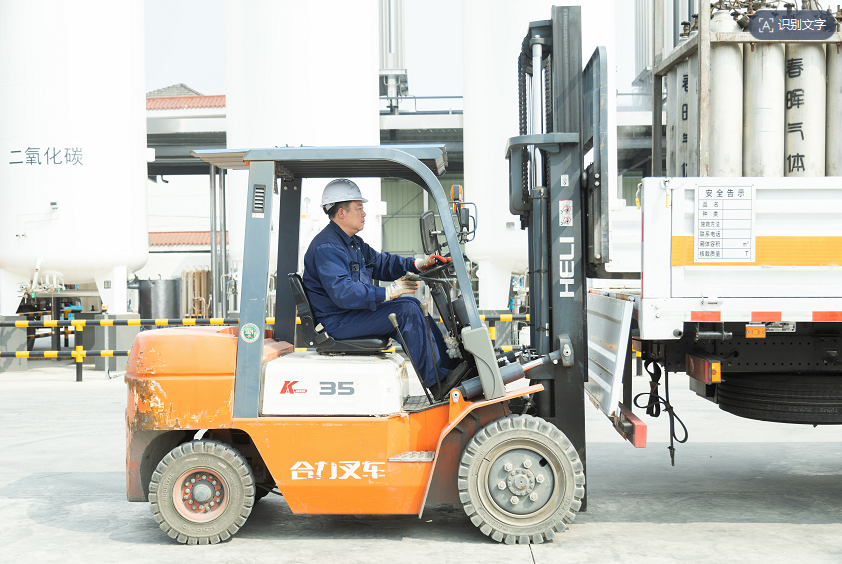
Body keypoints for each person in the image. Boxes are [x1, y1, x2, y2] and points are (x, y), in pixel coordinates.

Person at [302, 178, 463, 399]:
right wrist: (388, 292)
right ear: (341, 213)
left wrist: (417, 264)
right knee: (407, 311)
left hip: (351, 315)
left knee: (413, 304)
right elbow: (343, 292)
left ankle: (449, 367)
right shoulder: (328, 246)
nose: (364, 213)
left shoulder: (353, 243)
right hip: (337, 321)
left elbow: (381, 263)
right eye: (359, 208)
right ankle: (439, 383)